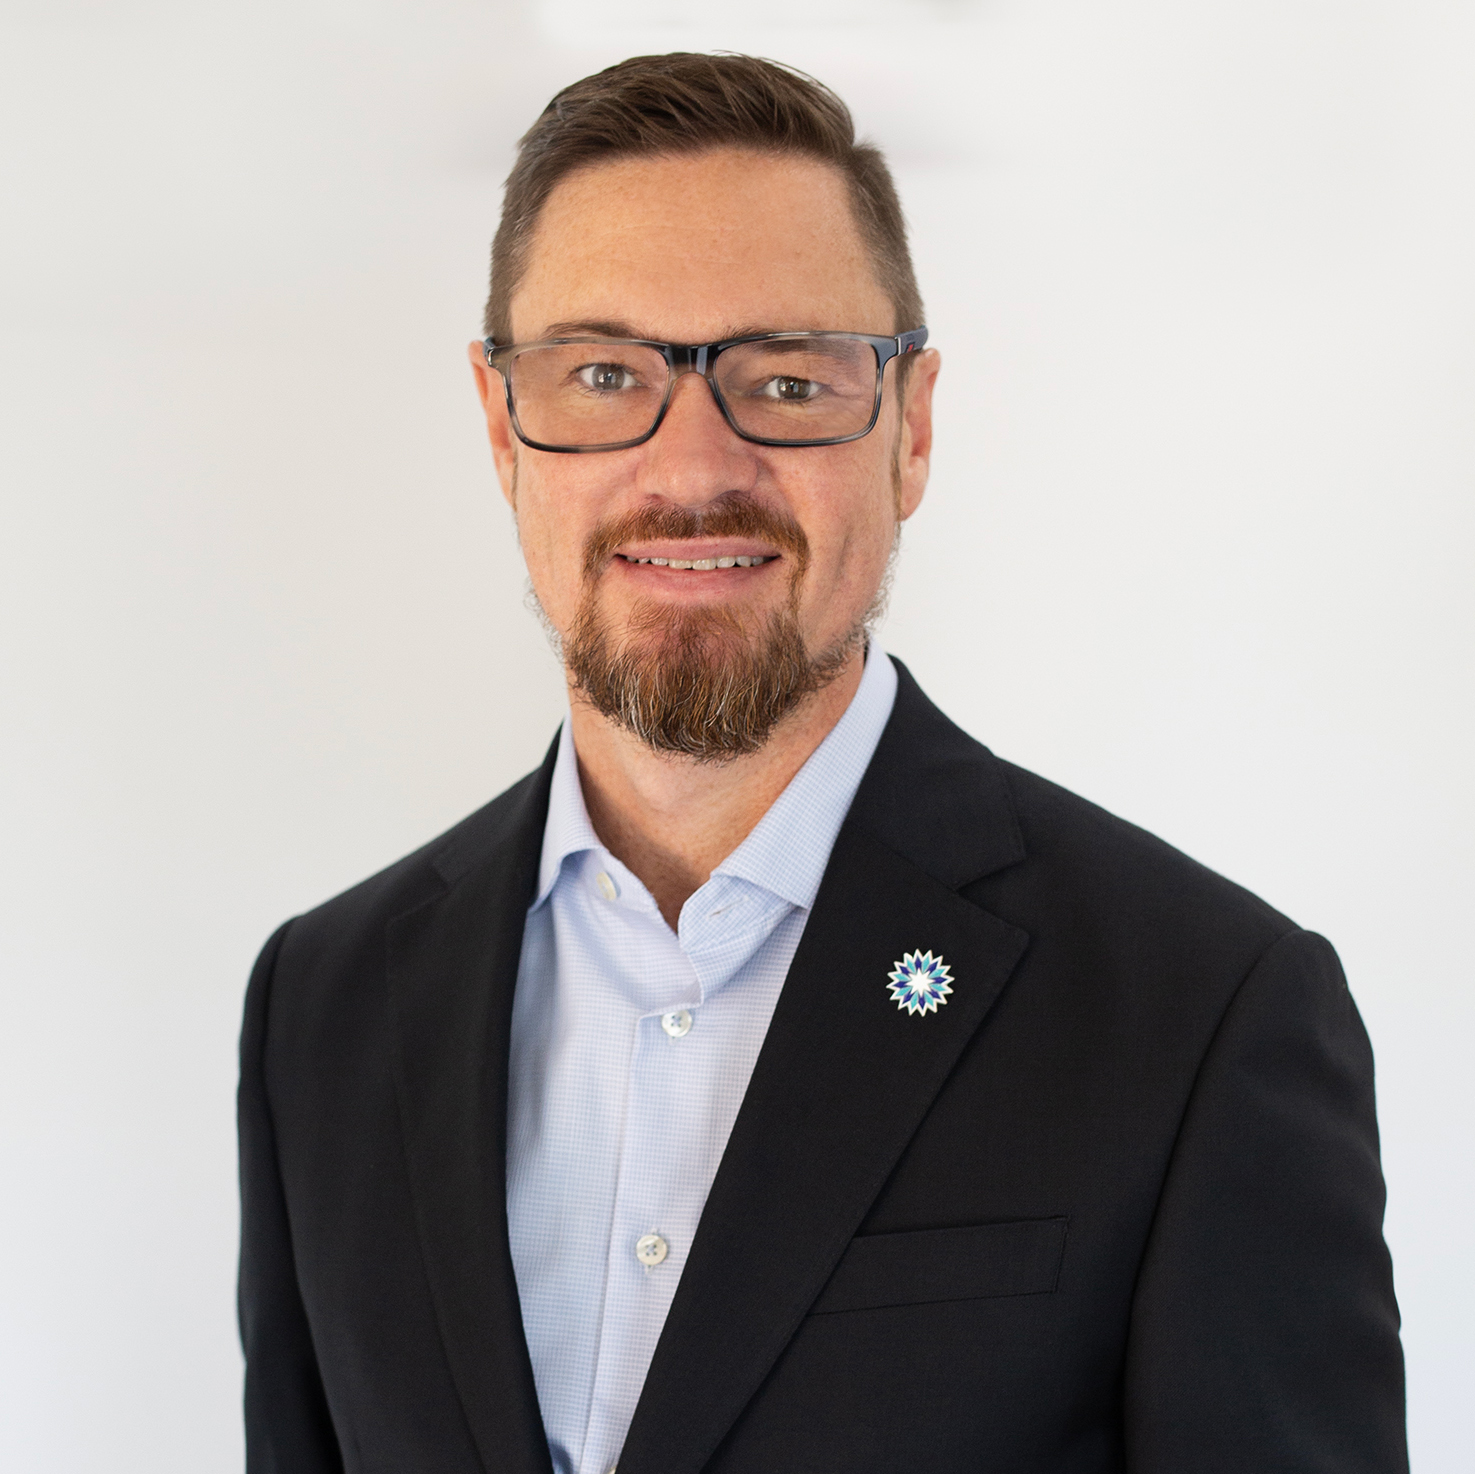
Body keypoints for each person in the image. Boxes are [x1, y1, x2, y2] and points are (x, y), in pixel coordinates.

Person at [238, 52, 1407, 1474]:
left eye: (786, 380)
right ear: (503, 429)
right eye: (603, 374)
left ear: (910, 430)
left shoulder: (1199, 1013)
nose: (692, 467)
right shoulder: (325, 1008)